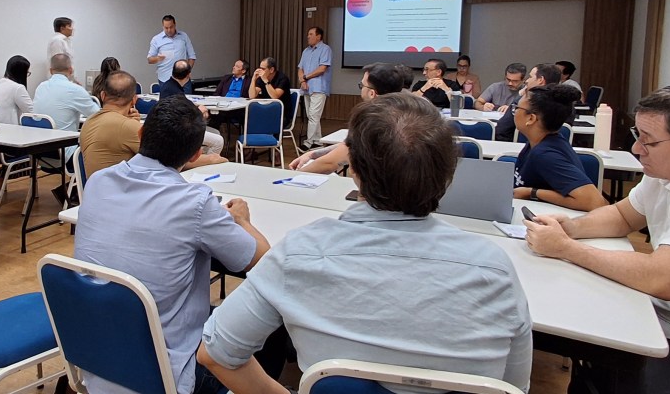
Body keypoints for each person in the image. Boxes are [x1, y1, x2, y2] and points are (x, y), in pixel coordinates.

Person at [198, 93, 532, 394]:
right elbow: (513, 386)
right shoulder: (494, 268)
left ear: (353, 169)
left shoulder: (298, 252)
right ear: (448, 176)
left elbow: (216, 353)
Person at [525, 85, 670, 393]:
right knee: (589, 354)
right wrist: (570, 228)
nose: (636, 149)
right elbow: (622, 216)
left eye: (648, 141)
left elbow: (666, 279)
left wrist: (566, 248)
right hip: (669, 320)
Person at [74, 96, 271, 394]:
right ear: (195, 155)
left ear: (140, 134)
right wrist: (242, 219)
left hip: (96, 357)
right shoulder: (195, 203)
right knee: (266, 326)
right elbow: (262, 260)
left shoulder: (98, 182)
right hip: (165, 372)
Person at [79, 71, 227, 177]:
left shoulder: (89, 123)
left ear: (103, 95)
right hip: (125, 199)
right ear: (134, 99)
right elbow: (168, 161)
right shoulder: (126, 127)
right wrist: (211, 159)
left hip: (95, 195)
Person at [288, 63, 404, 174]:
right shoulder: (407, 112)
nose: (361, 88)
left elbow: (330, 163)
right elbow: (349, 146)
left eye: (362, 85)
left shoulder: (372, 120)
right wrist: (313, 154)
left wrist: (294, 175)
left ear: (372, 93)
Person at [511, 84, 607, 211]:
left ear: (531, 118)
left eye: (516, 108)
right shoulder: (538, 142)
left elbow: (594, 202)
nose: (514, 111)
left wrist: (532, 192)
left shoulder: (545, 155)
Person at [160, 60, 224, 156]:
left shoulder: (169, 86)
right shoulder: (176, 91)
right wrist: (199, 111)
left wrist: (195, 108)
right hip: (178, 130)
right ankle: (206, 163)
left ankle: (200, 158)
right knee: (218, 141)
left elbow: (180, 107)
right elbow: (182, 115)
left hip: (174, 127)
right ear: (188, 75)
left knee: (215, 132)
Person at [494, 63, 562, 142]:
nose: (527, 81)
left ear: (540, 80)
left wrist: (519, 97)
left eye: (530, 77)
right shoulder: (564, 103)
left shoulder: (527, 103)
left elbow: (503, 128)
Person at [32, 53, 99, 133]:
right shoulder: (76, 90)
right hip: (66, 143)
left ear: (50, 71)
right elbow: (98, 115)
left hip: (39, 142)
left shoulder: (40, 87)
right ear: (71, 70)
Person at [297, 26, 332, 150]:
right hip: (306, 87)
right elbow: (300, 68)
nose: (308, 36)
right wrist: (302, 79)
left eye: (311, 34)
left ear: (319, 36)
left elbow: (322, 69)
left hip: (318, 87)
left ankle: (308, 142)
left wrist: (306, 77)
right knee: (311, 116)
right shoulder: (306, 51)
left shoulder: (325, 49)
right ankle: (317, 141)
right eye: (308, 34)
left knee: (313, 115)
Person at [147, 14, 196, 84]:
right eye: (166, 28)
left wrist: (188, 71)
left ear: (175, 25)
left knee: (186, 95)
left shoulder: (184, 36)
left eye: (171, 27)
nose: (169, 30)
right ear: (162, 26)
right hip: (165, 79)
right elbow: (149, 60)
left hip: (183, 79)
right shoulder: (156, 39)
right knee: (167, 95)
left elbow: (192, 56)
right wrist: (158, 58)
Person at [0, 55, 33, 125]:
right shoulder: (17, 88)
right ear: (21, 73)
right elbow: (32, 112)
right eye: (27, 73)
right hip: (11, 130)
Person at [248, 57, 292, 121]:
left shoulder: (283, 78)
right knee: (247, 117)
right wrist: (253, 80)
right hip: (265, 110)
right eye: (259, 68)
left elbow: (275, 96)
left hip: (281, 113)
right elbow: (252, 96)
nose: (260, 71)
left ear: (271, 69)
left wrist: (266, 80)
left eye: (263, 69)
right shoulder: (261, 79)